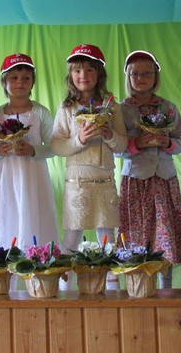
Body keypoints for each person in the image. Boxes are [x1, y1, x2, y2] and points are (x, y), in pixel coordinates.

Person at [117, 50, 181, 286]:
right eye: (135, 74)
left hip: (164, 179)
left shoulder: (168, 107)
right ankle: (139, 287)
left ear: (155, 76)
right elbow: (115, 147)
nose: (141, 78)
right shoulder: (121, 110)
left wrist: (167, 143)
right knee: (137, 233)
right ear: (128, 77)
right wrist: (137, 143)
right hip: (135, 180)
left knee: (164, 232)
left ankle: (166, 288)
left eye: (147, 73)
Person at [50, 44, 128, 255]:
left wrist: (110, 136)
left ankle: (109, 277)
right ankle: (66, 277)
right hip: (77, 182)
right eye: (77, 70)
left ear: (99, 73)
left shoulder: (112, 106)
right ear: (71, 75)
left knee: (108, 237)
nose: (83, 75)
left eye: (89, 70)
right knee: (72, 237)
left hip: (105, 180)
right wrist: (79, 140)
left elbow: (123, 144)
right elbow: (56, 145)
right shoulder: (67, 107)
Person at [0, 53, 58, 253]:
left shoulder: (41, 112)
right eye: (13, 78)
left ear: (32, 82)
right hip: (5, 177)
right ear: (4, 82)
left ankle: (37, 256)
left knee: (33, 213)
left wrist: (33, 150)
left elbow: (53, 147)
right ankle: (3, 256)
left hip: (33, 177)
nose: (20, 82)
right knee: (6, 215)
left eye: (26, 78)